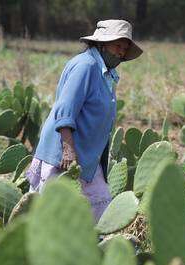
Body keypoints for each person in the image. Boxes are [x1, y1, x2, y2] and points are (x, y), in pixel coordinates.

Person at [25, 19, 143, 222]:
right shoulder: (86, 66)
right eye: (118, 46)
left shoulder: (106, 72)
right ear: (102, 44)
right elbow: (65, 108)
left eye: (124, 49)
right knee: (50, 214)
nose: (121, 53)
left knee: (100, 206)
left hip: (87, 158)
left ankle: (90, 249)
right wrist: (68, 149)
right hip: (64, 155)